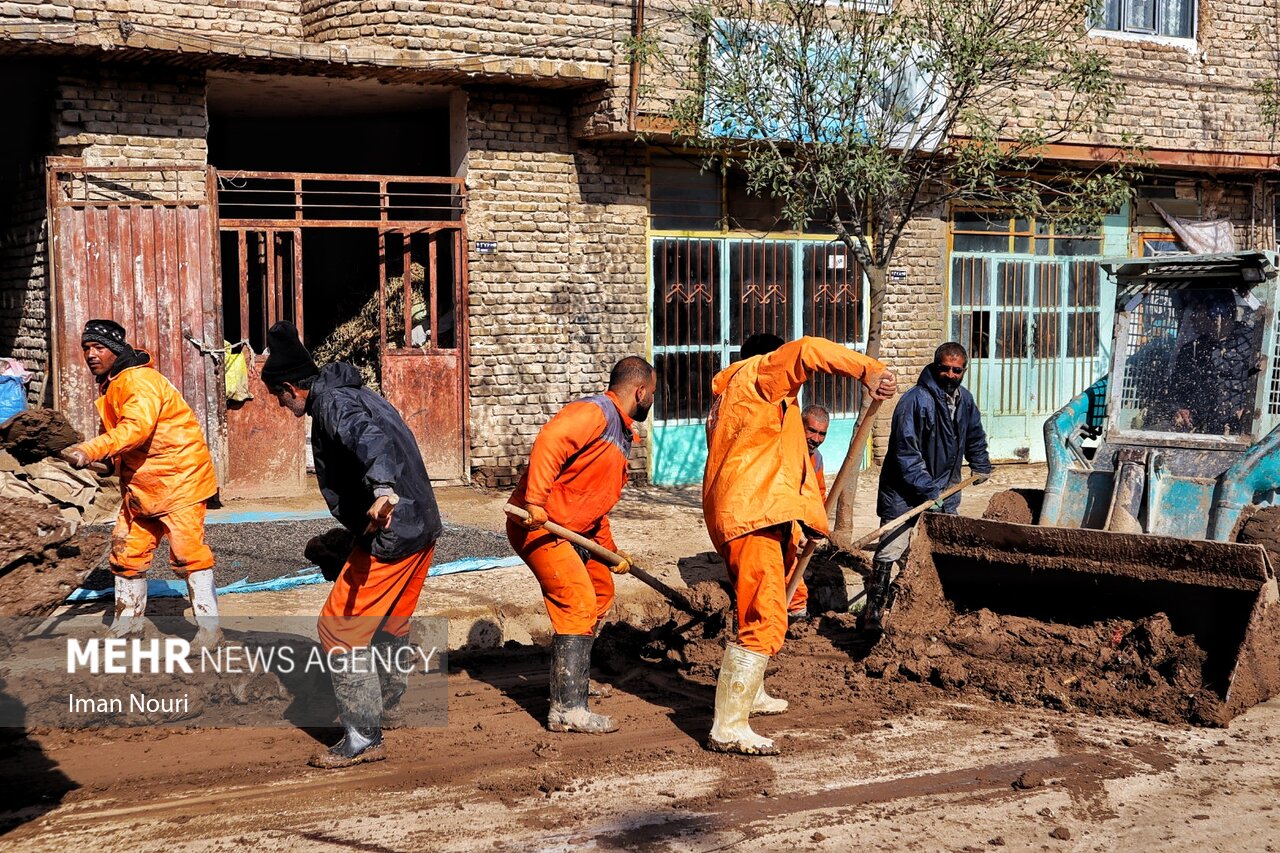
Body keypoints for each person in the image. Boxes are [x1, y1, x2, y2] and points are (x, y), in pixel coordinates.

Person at [703, 334, 895, 755]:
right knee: (767, 617)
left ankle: (749, 694)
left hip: (754, 514)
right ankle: (729, 726)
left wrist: (803, 520)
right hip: (751, 518)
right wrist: (869, 370)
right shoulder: (758, 377)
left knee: (757, 608)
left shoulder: (742, 404)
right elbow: (808, 349)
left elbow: (779, 466)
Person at [262, 320, 442, 769]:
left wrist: (382, 489)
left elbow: (371, 442)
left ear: (290, 388)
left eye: (278, 399)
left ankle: (363, 735)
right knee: (389, 622)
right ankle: (387, 701)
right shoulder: (358, 392)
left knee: (338, 629)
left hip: (393, 529)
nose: (282, 407)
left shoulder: (333, 404)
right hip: (421, 526)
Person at [506, 356, 657, 734]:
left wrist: (612, 552)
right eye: (652, 394)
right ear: (639, 391)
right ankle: (567, 709)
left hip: (573, 528)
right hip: (540, 526)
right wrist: (536, 501)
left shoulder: (619, 432)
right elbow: (551, 439)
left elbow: (591, 503)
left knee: (600, 590)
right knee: (577, 600)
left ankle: (573, 677)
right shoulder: (596, 413)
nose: (652, 400)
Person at [61, 319, 221, 649]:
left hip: (179, 481)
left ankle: (210, 631)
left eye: (98, 348)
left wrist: (90, 449)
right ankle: (127, 625)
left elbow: (136, 430)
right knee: (126, 553)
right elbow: (119, 445)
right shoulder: (112, 385)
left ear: (115, 350)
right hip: (143, 487)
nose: (91, 354)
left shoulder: (138, 381)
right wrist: (97, 461)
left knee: (189, 555)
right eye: (86, 349)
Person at [869, 342, 992, 634]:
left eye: (956, 370)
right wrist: (927, 489)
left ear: (964, 371)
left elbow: (973, 434)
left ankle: (926, 612)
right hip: (904, 492)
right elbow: (905, 452)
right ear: (936, 367)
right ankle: (873, 613)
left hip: (944, 492)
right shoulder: (914, 401)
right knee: (891, 548)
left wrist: (980, 462)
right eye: (945, 369)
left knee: (939, 551)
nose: (950, 375)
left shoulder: (964, 400)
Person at [786, 403, 831, 622]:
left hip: (795, 518)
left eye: (822, 433)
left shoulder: (817, 459)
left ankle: (795, 611)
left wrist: (816, 525)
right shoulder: (783, 451)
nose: (816, 438)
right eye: (811, 430)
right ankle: (795, 609)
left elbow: (818, 495)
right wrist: (797, 532)